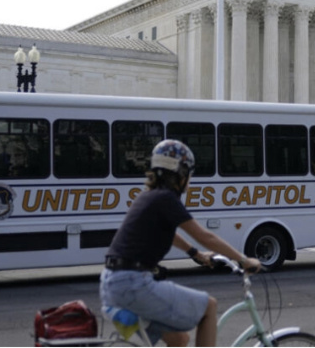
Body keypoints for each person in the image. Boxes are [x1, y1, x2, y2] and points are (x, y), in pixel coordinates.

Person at [100, 139, 261, 346]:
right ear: (180, 173)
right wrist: (243, 259)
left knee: (179, 339)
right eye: (189, 174)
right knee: (209, 307)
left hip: (111, 286)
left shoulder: (148, 197)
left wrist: (196, 254)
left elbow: (171, 234)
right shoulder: (166, 199)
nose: (189, 180)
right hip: (133, 285)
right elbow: (205, 236)